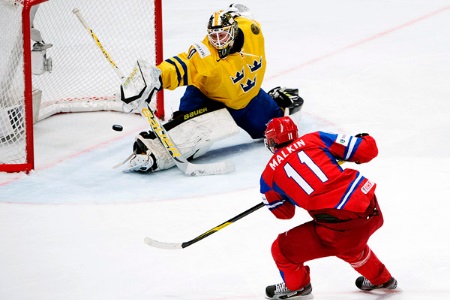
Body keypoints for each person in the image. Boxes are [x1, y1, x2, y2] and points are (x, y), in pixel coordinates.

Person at [121, 4, 303, 173]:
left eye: (222, 35)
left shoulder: (252, 31)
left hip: (249, 100)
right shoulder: (206, 54)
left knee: (277, 129)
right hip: (206, 98)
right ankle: (150, 151)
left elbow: (242, 14)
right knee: (186, 138)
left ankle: (275, 99)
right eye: (213, 36)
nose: (217, 41)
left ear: (234, 31)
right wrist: (157, 76)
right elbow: (184, 64)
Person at [259, 116, 398, 299]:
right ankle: (381, 278)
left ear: (271, 141)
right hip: (369, 207)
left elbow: (284, 214)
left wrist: (279, 196)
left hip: (338, 224)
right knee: (348, 243)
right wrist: (363, 138)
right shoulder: (314, 139)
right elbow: (367, 150)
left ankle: (297, 287)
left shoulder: (268, 176)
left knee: (282, 250)